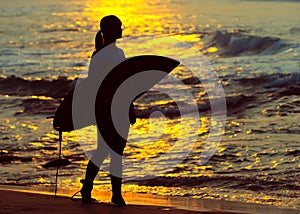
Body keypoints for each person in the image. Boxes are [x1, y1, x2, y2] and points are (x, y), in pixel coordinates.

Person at [79, 15, 135, 206]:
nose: (121, 28)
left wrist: (131, 108)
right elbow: (94, 85)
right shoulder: (98, 56)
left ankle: (115, 194)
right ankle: (87, 188)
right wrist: (102, 110)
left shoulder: (120, 53)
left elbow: (126, 83)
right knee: (103, 150)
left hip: (121, 108)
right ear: (108, 30)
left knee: (117, 151)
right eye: (118, 26)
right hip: (104, 109)